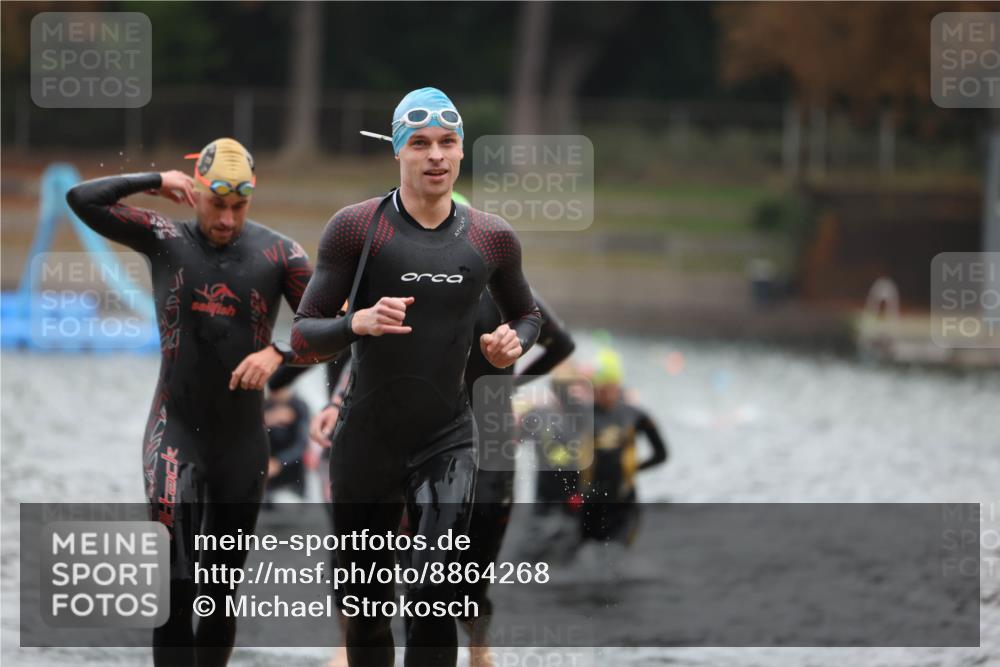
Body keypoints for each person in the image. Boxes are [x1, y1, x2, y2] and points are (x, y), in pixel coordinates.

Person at [290, 87, 542, 667]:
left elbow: (527, 316)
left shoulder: (490, 237)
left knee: (434, 599)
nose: (436, 156)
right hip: (366, 443)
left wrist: (512, 345)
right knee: (365, 613)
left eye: (448, 143)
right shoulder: (358, 229)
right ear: (398, 152)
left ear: (461, 152)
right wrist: (358, 321)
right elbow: (303, 333)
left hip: (446, 440)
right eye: (421, 144)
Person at [66, 138, 312, 667]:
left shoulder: (281, 255)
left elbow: (334, 329)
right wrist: (154, 180)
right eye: (216, 204)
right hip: (173, 434)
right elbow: (81, 199)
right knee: (173, 592)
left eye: (238, 206)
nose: (226, 219)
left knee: (218, 595)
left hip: (240, 445)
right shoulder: (163, 237)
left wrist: (280, 351)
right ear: (194, 192)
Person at [578, 348, 669, 546]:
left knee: (621, 558)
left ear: (618, 385)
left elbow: (661, 454)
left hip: (624, 501)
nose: (606, 393)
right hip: (589, 503)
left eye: (610, 387)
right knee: (587, 560)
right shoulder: (580, 416)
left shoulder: (635, 415)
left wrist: (633, 469)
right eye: (600, 388)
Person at [262, 386, 311, 504]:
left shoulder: (298, 405)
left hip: (292, 478)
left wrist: (279, 461)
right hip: (266, 479)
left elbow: (302, 443)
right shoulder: (265, 406)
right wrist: (267, 419)